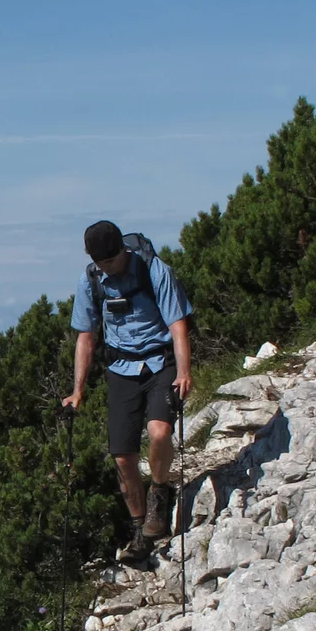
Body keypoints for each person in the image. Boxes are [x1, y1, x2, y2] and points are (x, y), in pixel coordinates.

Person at [61, 218, 193, 563]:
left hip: (159, 363)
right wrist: (78, 391)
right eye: (100, 262)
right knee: (122, 456)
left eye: (111, 260)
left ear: (122, 249)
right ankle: (140, 531)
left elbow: (177, 324)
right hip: (121, 370)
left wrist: (183, 372)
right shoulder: (90, 281)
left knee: (159, 432)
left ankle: (159, 494)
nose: (107, 267)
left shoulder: (153, 270)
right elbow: (85, 338)